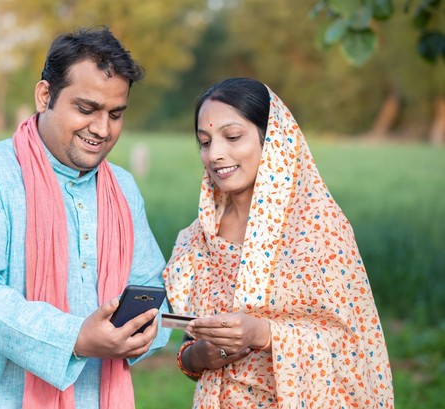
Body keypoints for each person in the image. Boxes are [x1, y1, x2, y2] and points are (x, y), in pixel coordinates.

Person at [0, 26, 171, 409]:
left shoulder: (122, 188)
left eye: (115, 114)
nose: (102, 129)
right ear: (45, 96)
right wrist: (75, 337)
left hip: (97, 397)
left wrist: (143, 331)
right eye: (86, 108)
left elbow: (149, 286)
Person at [164, 78, 394, 408]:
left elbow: (354, 347)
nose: (215, 154)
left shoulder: (318, 229)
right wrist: (199, 356)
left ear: (272, 139)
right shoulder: (197, 239)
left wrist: (262, 334)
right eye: (204, 142)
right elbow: (189, 351)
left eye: (232, 137)